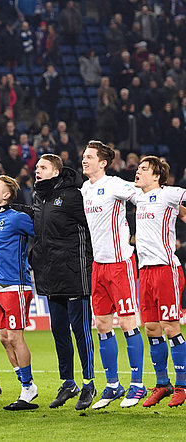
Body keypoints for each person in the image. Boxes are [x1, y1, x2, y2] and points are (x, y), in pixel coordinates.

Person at [80, 141, 146, 409]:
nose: (84, 160)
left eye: (89, 157)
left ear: (103, 162)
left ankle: (138, 385)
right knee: (103, 325)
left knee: (128, 322)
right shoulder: (85, 189)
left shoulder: (116, 184)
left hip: (120, 263)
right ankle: (112, 386)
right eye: (84, 156)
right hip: (99, 266)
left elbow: (142, 197)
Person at [31, 154, 96, 410]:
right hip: (50, 275)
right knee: (59, 330)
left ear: (56, 172)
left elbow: (92, 228)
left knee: (80, 331)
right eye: (37, 167)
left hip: (74, 273)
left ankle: (89, 383)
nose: (37, 170)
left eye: (43, 167)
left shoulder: (74, 196)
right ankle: (68, 383)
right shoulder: (40, 198)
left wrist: (88, 262)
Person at [133, 156, 186, 408]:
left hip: (166, 269)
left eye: (144, 169)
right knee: (151, 328)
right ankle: (163, 384)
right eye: (138, 167)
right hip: (144, 272)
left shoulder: (168, 194)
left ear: (156, 176)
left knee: (170, 326)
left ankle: (183, 384)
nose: (138, 171)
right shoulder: (137, 197)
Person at [0, 175, 36, 410]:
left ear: (7, 195)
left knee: (16, 337)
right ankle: (24, 382)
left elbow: (41, 232)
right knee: (4, 338)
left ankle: (28, 387)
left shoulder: (17, 219)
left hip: (16, 285)